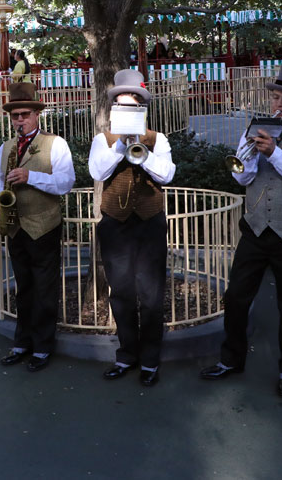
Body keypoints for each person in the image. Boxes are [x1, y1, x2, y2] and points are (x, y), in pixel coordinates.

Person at [200, 64, 282, 398]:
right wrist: (250, 157)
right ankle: (231, 360)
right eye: (276, 96)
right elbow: (241, 178)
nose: (280, 104)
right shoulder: (253, 128)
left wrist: (274, 151)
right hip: (255, 229)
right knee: (236, 298)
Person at [89, 70, 175, 387]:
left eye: (133, 106)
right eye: (122, 106)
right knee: (122, 294)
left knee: (151, 296)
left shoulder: (158, 139)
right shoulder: (103, 139)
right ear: (114, 109)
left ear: (142, 109)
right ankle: (127, 355)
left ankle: (150, 360)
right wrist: (119, 146)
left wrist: (142, 150)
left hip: (150, 223)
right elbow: (97, 171)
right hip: (115, 225)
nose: (127, 110)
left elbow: (166, 175)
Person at [0, 83, 75, 372]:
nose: (19, 120)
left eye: (25, 114)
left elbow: (65, 183)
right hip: (15, 227)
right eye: (15, 116)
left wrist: (30, 176)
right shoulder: (5, 148)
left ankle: (43, 347)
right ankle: (22, 342)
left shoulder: (56, 144)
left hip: (44, 226)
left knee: (45, 288)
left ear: (37, 114)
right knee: (23, 287)